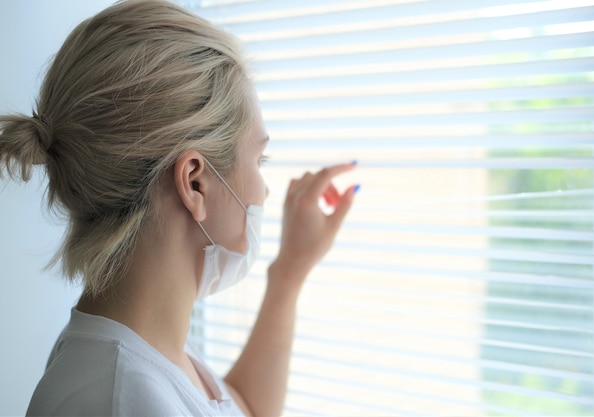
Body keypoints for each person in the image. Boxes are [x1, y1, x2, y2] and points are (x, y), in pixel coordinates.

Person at [0, 1, 358, 416]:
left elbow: (243, 408)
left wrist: (290, 271)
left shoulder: (143, 344)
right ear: (194, 182)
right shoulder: (126, 397)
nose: (265, 190)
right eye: (259, 161)